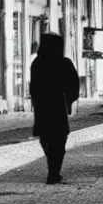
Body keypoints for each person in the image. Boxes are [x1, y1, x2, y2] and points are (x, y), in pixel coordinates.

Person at [30, 33, 79, 184]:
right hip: (57, 105)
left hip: (42, 106)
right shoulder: (64, 63)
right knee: (59, 139)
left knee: (46, 138)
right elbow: (73, 85)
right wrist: (69, 101)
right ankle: (54, 171)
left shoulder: (37, 63)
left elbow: (33, 86)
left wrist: (36, 101)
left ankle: (52, 167)